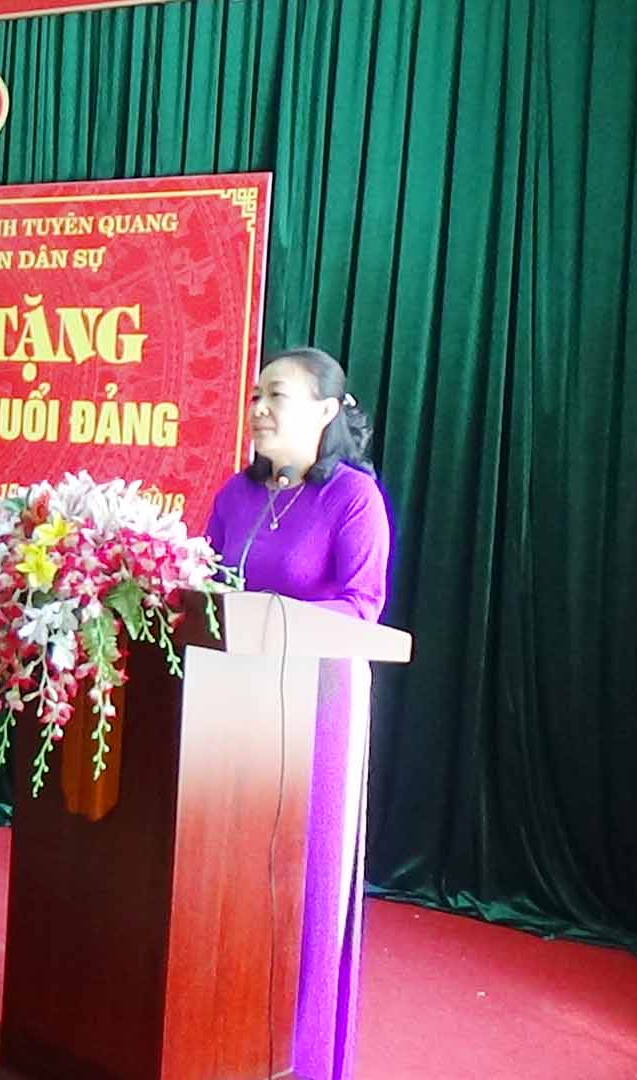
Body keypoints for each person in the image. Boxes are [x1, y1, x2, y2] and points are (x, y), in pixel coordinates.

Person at [202, 346, 391, 1080]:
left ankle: (302, 1060)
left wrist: (267, 621)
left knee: (304, 888)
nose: (257, 408)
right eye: (255, 395)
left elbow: (362, 607)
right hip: (230, 708)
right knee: (227, 879)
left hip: (318, 709)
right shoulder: (237, 494)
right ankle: (218, 1037)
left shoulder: (353, 498)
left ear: (326, 411)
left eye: (275, 395)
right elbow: (203, 583)